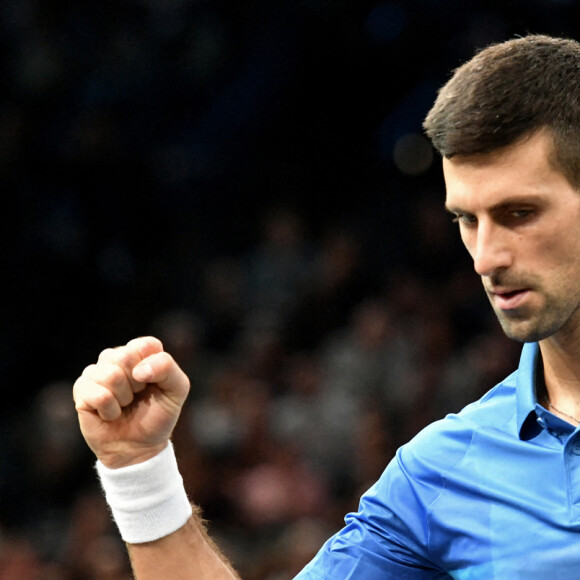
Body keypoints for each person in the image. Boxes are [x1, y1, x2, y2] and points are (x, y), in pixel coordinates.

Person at [73, 34, 580, 579]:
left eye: (520, 213)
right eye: (466, 220)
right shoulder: (445, 475)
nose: (485, 257)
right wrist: (139, 474)